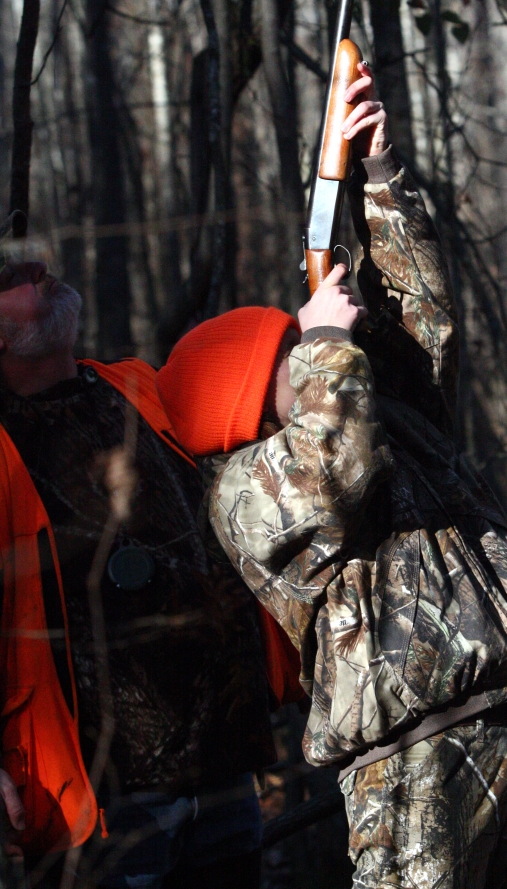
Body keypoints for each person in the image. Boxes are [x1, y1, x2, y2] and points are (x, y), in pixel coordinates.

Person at [156, 68, 507, 889]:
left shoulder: (364, 402)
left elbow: (421, 320)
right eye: (289, 348)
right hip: (412, 775)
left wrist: (380, 172)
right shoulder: (246, 493)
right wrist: (322, 341)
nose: (316, 342)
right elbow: (335, 471)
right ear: (250, 399)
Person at [0, 216, 303, 888]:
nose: (38, 273)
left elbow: (250, 382)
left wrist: (314, 337)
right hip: (102, 794)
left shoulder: (129, 382)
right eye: (10, 280)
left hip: (223, 756)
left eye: (30, 261)